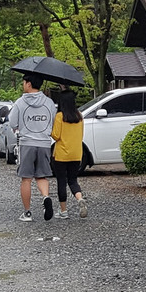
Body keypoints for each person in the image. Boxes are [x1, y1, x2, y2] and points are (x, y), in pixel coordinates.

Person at [8, 73, 57, 221]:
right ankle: (46, 197)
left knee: (26, 179)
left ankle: (27, 212)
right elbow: (53, 122)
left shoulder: (20, 102)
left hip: (27, 143)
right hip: (44, 143)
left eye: (24, 82)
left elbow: (12, 123)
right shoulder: (49, 102)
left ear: (29, 84)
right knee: (41, 176)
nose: (23, 85)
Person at [50, 89, 88, 219]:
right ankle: (79, 199)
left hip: (61, 154)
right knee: (73, 180)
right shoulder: (79, 116)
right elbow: (81, 135)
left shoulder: (60, 116)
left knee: (61, 181)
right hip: (76, 153)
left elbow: (56, 136)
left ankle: (63, 211)